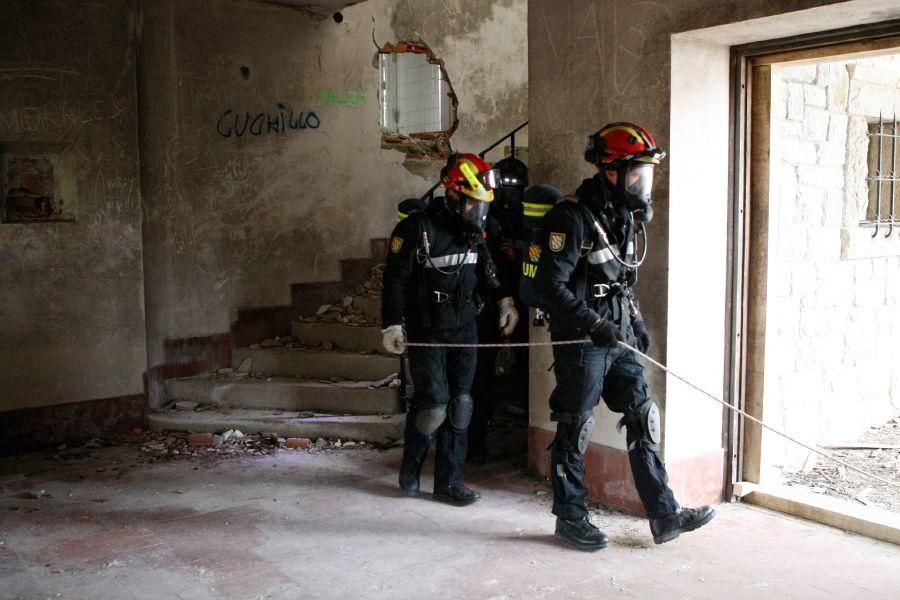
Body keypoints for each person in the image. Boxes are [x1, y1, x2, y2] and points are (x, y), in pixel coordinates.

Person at [534, 122, 715, 550]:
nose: (643, 183)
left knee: (643, 418)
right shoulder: (572, 216)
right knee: (575, 427)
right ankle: (570, 518)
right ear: (611, 171)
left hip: (617, 338)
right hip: (583, 341)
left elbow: (622, 282)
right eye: (637, 173)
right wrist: (594, 324)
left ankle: (664, 514)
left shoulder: (624, 218)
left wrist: (636, 325)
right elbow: (548, 286)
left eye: (646, 174)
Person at [381, 152, 519, 506]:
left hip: (465, 329)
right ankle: (411, 467)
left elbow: (490, 272)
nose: (479, 212)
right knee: (433, 407)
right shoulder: (416, 229)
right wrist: (392, 324)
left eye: (483, 205)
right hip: (427, 331)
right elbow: (394, 281)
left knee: (461, 406)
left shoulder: (476, 234)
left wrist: (505, 301)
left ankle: (449, 483)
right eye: (473, 203)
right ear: (453, 194)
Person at [467, 156, 529, 464]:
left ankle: (477, 442)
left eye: (515, 187)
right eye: (504, 185)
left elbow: (497, 270)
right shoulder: (480, 222)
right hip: (470, 311)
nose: (509, 193)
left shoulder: (518, 218)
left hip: (507, 300)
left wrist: (507, 299)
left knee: (486, 381)